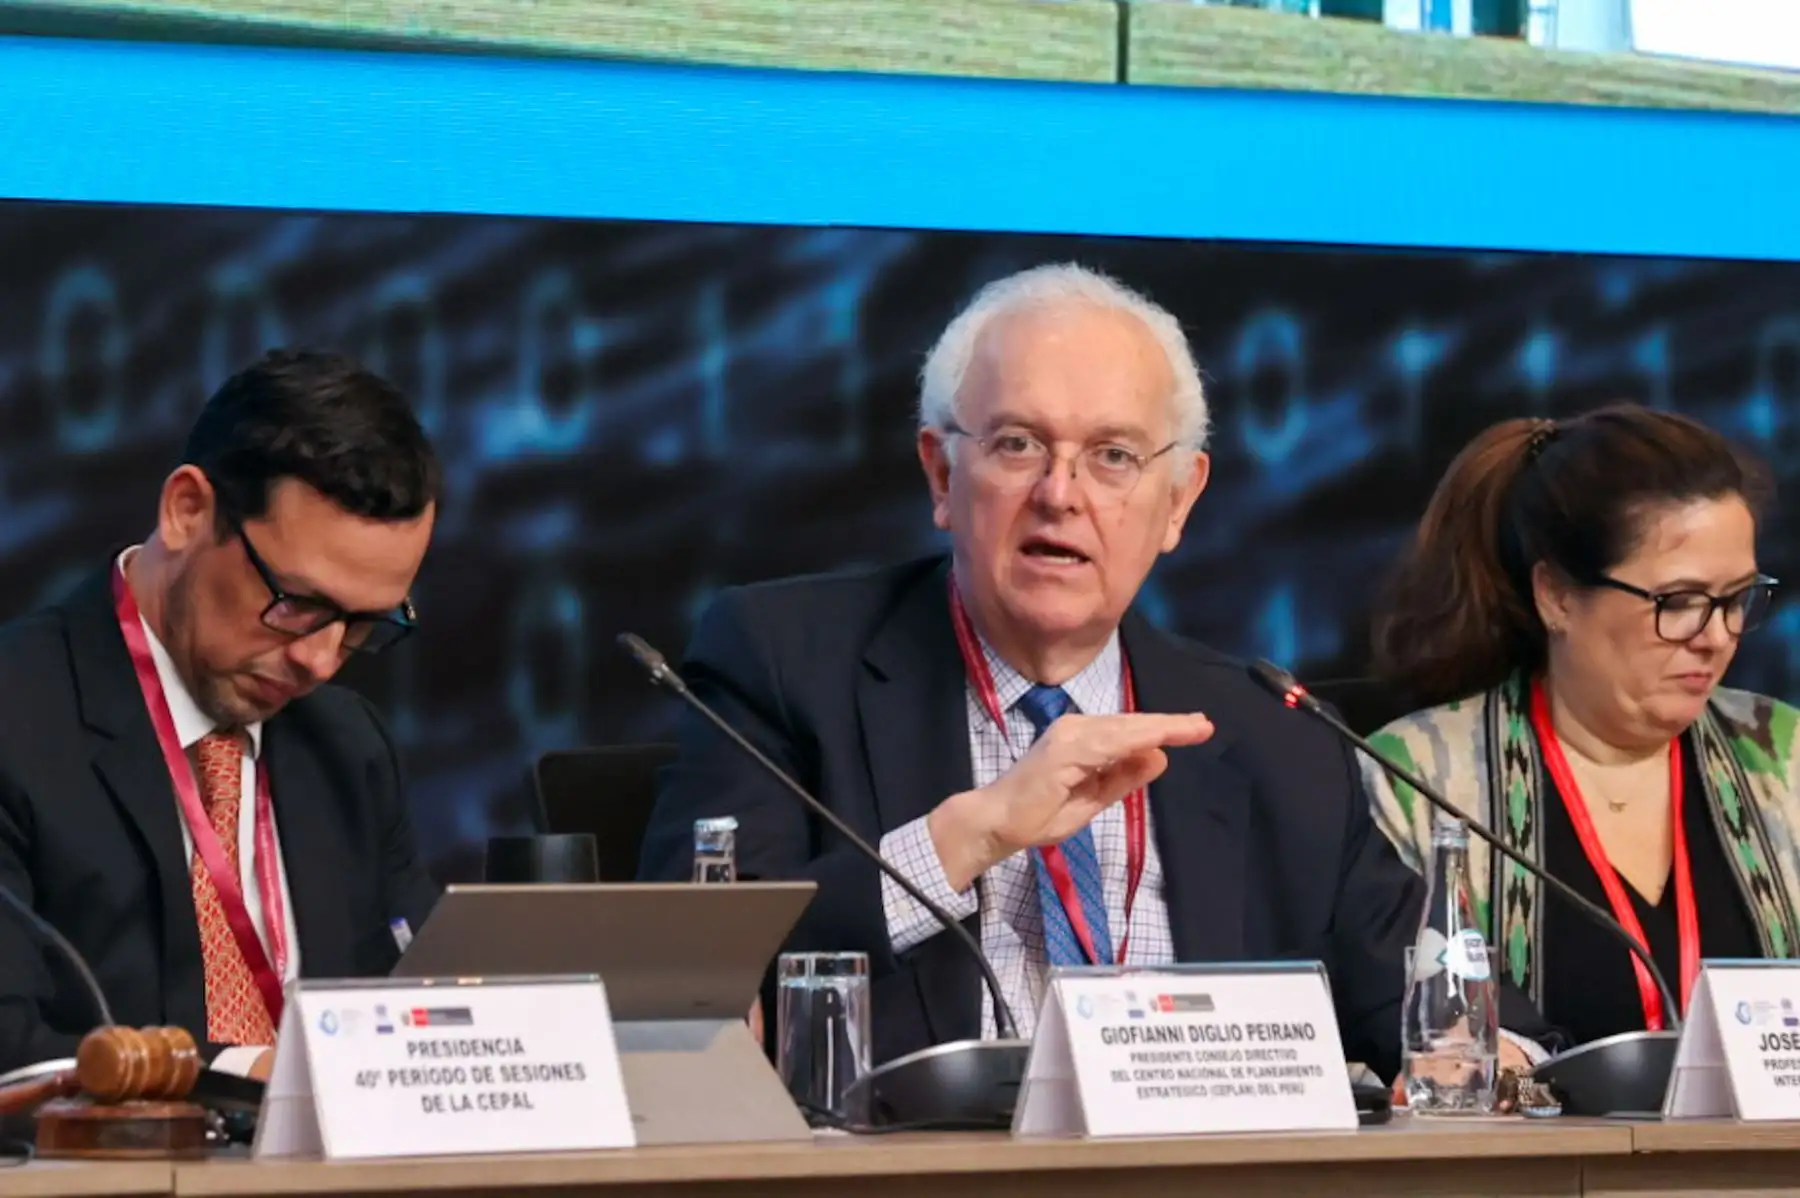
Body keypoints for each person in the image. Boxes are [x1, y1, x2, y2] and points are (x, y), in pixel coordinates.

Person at [639, 263, 1424, 1078]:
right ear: (943, 474)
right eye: (1018, 444)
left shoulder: (1274, 732)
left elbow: (1429, 1011)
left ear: (1180, 502)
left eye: (1114, 456)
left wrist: (1495, 1052)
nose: (1060, 493)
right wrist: (970, 834)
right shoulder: (781, 663)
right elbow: (685, 985)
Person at [0, 349, 442, 1077]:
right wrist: (246, 1076)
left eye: (365, 624)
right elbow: (8, 1048)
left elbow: (408, 1006)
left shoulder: (348, 745)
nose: (322, 661)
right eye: (297, 604)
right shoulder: (20, 719)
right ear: (188, 511)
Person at [1364, 406, 1798, 1054]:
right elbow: (1382, 1039)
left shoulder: (1784, 755)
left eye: (1736, 599)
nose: (1717, 637)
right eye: (1677, 603)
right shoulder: (1417, 777)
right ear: (1557, 596)